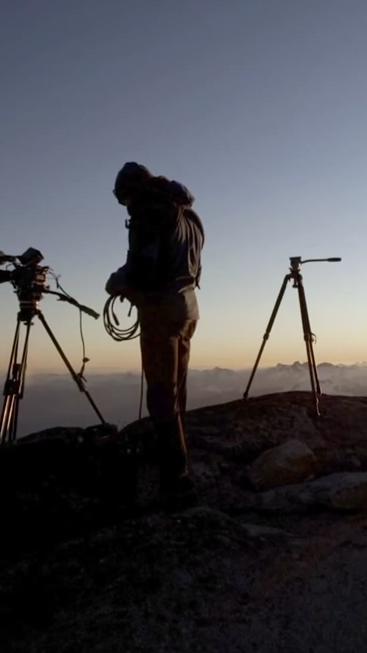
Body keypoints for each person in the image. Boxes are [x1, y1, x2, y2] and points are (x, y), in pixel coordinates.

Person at [106, 161, 204, 505]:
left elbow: (142, 270)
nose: (125, 207)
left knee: (161, 393)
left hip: (161, 309)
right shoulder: (188, 214)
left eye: (123, 200)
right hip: (189, 306)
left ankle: (176, 479)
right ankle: (179, 457)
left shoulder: (150, 212)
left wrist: (117, 282)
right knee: (178, 389)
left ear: (132, 191)